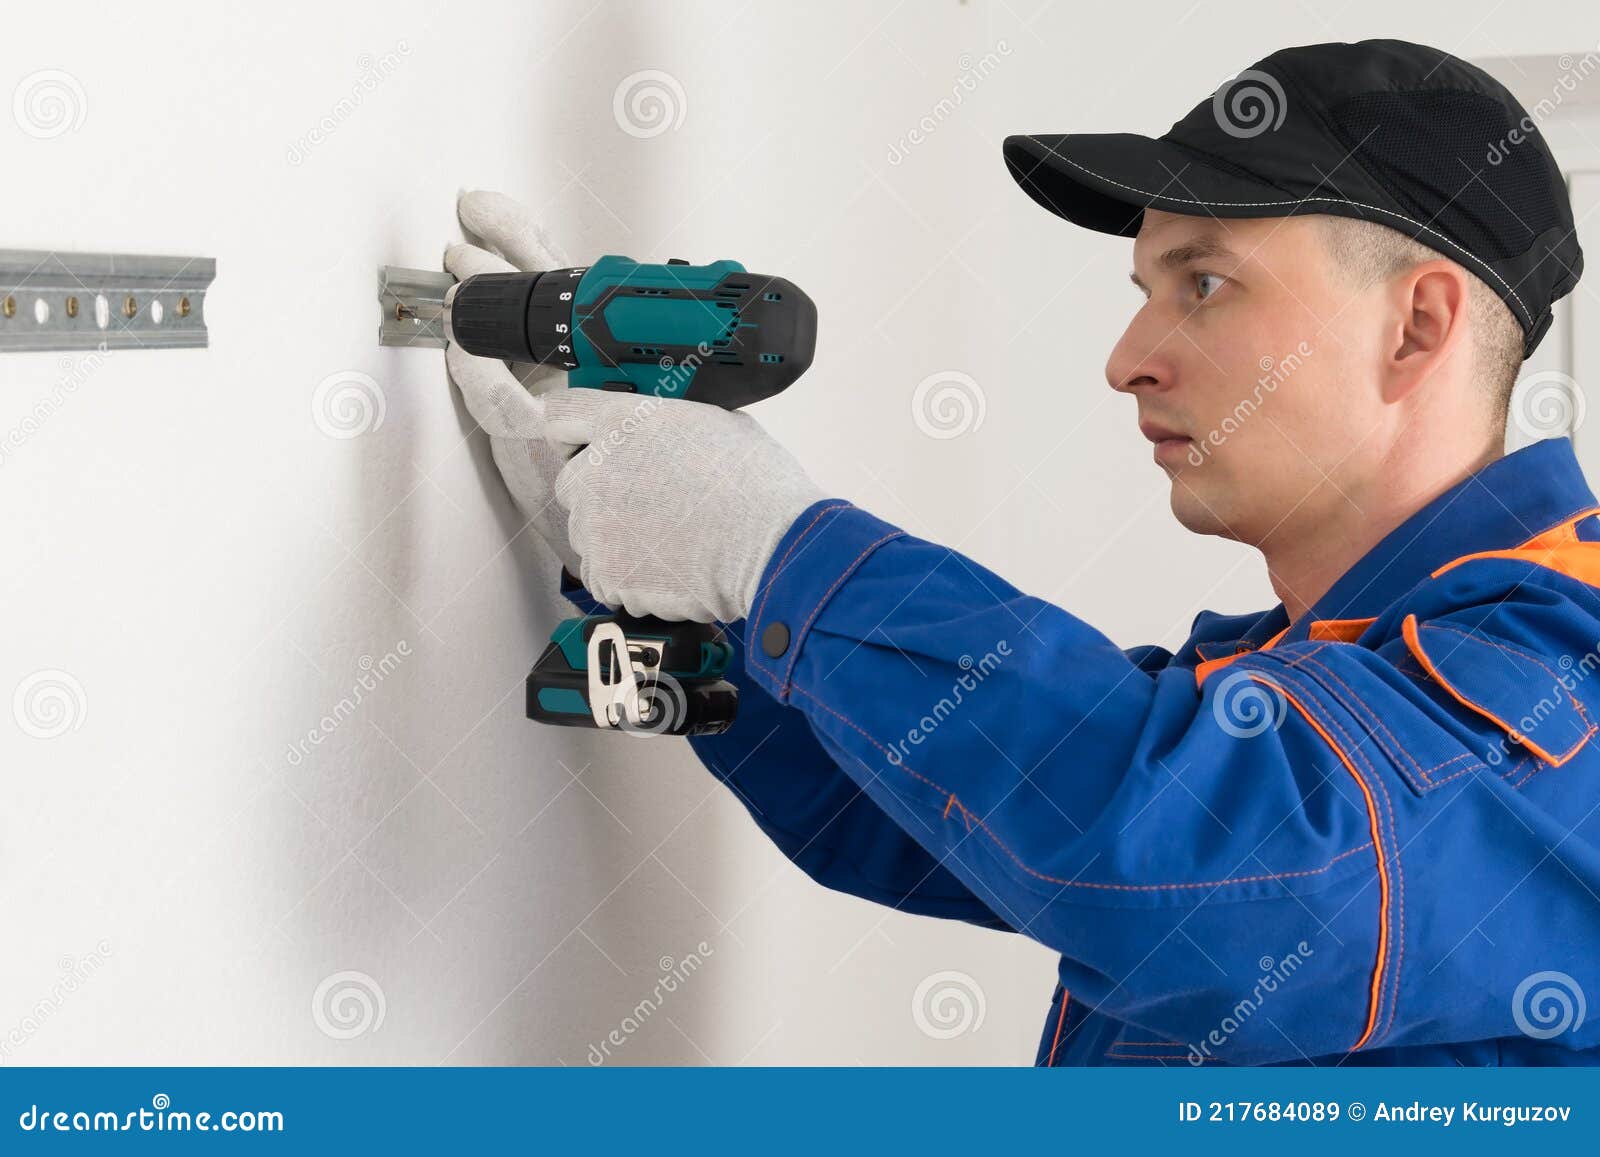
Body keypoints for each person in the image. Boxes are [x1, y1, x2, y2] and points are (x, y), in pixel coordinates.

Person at [444, 39, 1599, 1066]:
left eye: (1203, 282)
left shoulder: (1572, 669)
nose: (1128, 357)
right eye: (1144, 289)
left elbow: (1199, 874)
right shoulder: (1322, 680)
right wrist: (655, 545)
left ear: (1416, 327)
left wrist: (776, 548)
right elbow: (943, 813)